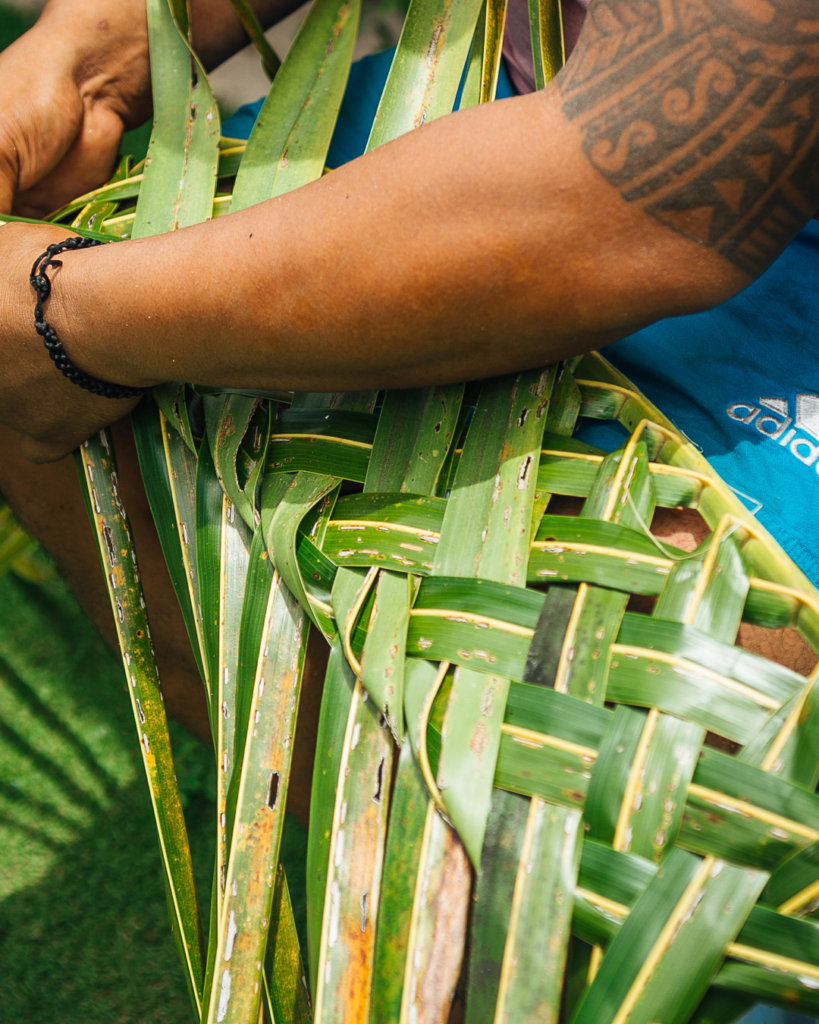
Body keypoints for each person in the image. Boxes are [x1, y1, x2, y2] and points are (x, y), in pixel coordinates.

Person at [0, 3, 817, 1021]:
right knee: (65, 317)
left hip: (690, 212)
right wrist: (92, 56)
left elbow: (640, 203)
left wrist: (65, 319)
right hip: (503, 100)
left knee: (667, 724)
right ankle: (335, 843)